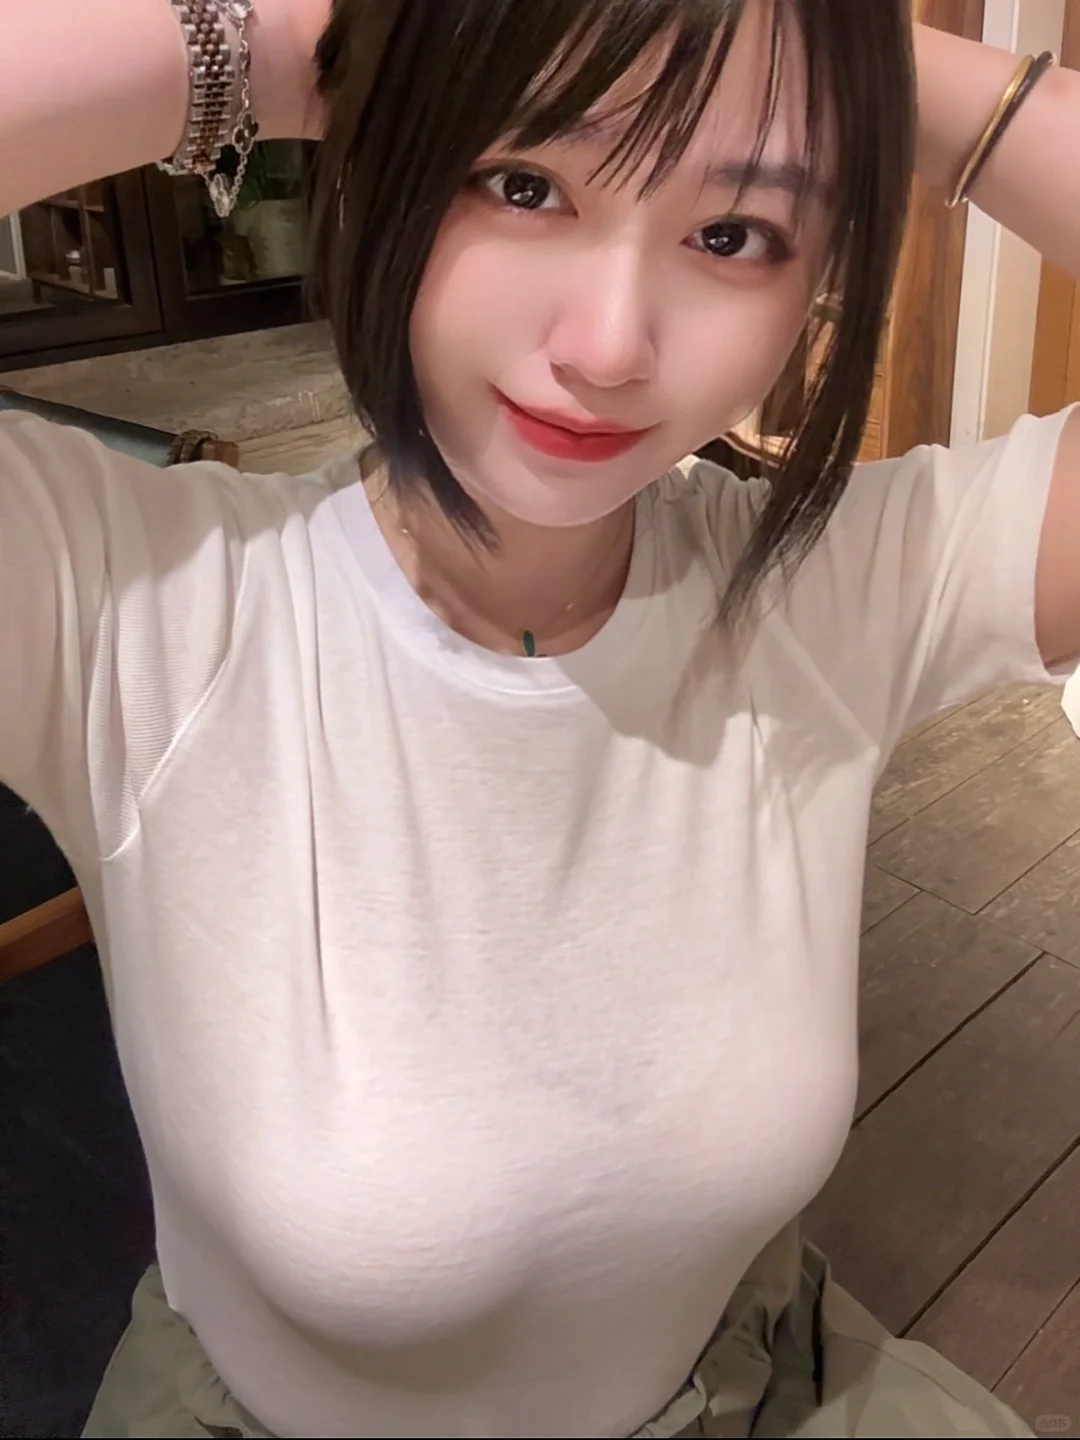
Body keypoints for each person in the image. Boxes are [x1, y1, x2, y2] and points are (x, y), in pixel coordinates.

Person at [2, 1, 1079, 1436]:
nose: (609, 346)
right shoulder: (129, 607)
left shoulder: (824, 598)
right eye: (523, 182)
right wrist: (301, 44)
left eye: (735, 230)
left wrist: (848, 63)